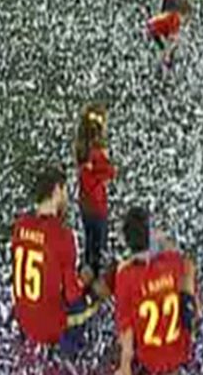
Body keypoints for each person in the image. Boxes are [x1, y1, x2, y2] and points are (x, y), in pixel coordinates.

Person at [11, 166, 103, 352]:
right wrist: (86, 282)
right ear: (57, 190)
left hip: (24, 319)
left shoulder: (20, 226)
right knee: (98, 293)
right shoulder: (62, 235)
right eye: (66, 191)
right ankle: (72, 351)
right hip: (48, 329)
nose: (67, 198)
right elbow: (72, 294)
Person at [115, 206, 197, 375]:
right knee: (186, 278)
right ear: (151, 236)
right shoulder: (171, 262)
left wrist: (125, 367)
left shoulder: (125, 276)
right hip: (179, 350)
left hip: (149, 359)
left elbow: (127, 330)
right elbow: (186, 263)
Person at [73, 103, 116, 278]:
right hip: (98, 206)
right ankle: (95, 284)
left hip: (85, 204)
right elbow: (110, 172)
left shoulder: (81, 148)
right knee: (99, 250)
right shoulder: (97, 152)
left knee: (90, 246)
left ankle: (86, 278)